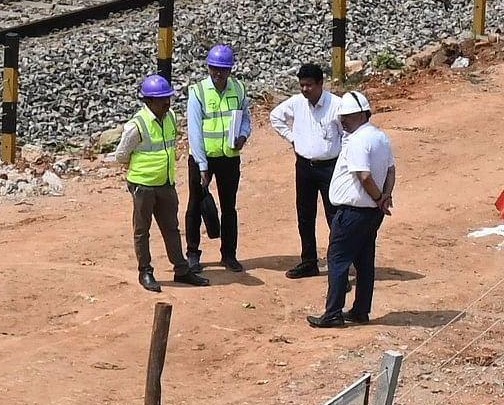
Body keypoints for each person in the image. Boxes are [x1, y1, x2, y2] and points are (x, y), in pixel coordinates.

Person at [103, 74, 204, 292]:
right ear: (148, 102)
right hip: (143, 186)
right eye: (162, 99)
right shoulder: (137, 125)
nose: (167, 102)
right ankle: (145, 272)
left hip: (166, 184)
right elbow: (121, 155)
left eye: (168, 97)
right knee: (142, 231)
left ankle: (182, 270)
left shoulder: (171, 118)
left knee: (171, 229)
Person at [313, 91, 393, 328]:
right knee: (365, 260)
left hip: (353, 212)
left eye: (346, 117)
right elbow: (390, 171)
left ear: (360, 114)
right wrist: (384, 198)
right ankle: (360, 310)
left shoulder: (359, 140)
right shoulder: (380, 137)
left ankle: (333, 313)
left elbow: (364, 175)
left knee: (338, 260)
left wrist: (379, 197)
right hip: (371, 213)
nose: (342, 121)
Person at [269, 61, 344, 279]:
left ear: (321, 84)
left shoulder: (337, 106)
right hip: (304, 167)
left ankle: (337, 267)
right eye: (302, 85)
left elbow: (346, 134)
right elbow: (275, 116)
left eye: (309, 85)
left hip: (330, 167)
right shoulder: (297, 103)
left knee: (334, 217)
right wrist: (292, 139)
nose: (305, 90)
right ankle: (309, 261)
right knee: (305, 215)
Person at [182, 44, 252, 272]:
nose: (218, 74)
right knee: (195, 205)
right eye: (214, 69)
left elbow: (246, 119)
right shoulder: (198, 92)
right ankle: (193, 254)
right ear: (208, 68)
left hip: (229, 158)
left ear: (230, 70)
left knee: (229, 207)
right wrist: (202, 165)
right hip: (203, 158)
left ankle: (229, 254)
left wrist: (243, 136)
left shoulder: (239, 89)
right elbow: (194, 132)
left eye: (222, 70)